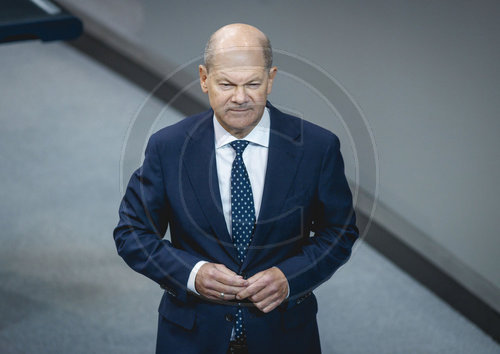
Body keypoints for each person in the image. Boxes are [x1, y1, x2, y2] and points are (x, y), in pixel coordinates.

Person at [113, 23, 359, 354]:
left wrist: (290, 278)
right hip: (191, 338)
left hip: (285, 338)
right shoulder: (168, 147)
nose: (240, 98)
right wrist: (192, 273)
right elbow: (132, 232)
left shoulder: (317, 148)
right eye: (227, 84)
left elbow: (340, 233)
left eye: (253, 84)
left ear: (271, 79)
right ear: (204, 79)